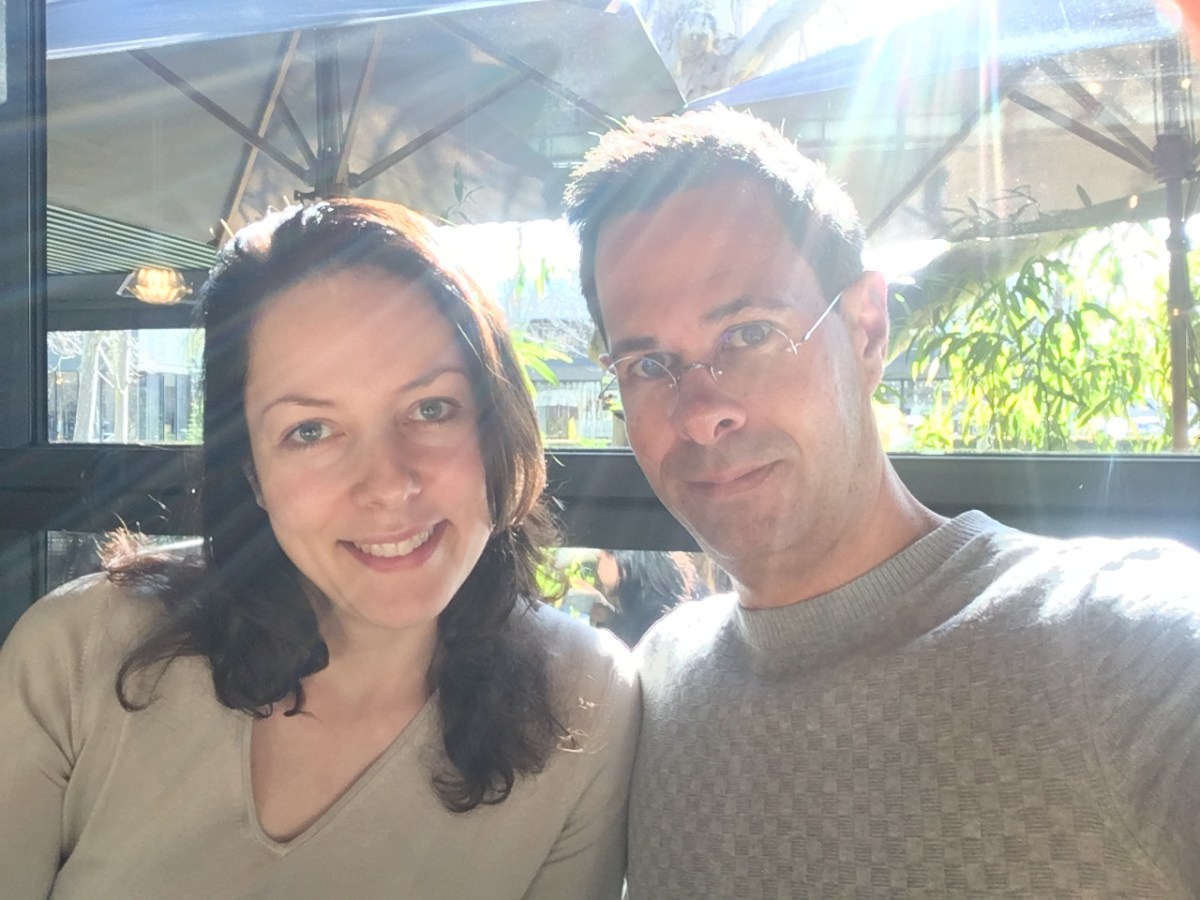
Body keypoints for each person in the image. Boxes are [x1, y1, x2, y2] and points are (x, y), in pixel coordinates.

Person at [564, 106, 1200, 897]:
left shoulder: (1119, 646)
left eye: (749, 334)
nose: (699, 413)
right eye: (649, 365)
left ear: (867, 330)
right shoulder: (659, 682)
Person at [0, 199, 638, 899]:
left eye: (431, 409)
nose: (388, 485)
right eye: (310, 430)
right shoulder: (78, 657)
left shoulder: (584, 700)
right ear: (253, 473)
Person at [591, 550, 701, 646]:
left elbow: (639, 649)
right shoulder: (662, 603)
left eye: (600, 559)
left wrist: (612, 622)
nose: (598, 569)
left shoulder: (655, 616)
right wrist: (610, 618)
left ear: (621, 559)